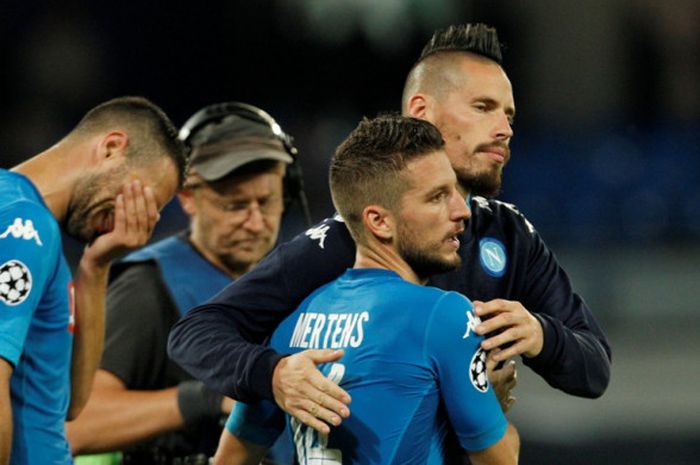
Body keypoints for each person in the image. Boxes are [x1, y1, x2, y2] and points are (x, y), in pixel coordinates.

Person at [168, 23, 611, 434]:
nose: (504, 129)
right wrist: (276, 375)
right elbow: (195, 334)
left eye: (509, 116)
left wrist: (541, 335)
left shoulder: (510, 235)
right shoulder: (348, 239)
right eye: (483, 108)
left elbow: (595, 369)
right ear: (422, 111)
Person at [216, 114, 520, 465]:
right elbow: (501, 460)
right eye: (437, 197)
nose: (460, 210)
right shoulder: (444, 314)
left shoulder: (289, 319)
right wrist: (492, 412)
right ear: (379, 221)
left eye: (454, 191)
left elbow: (227, 459)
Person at [65, 103, 301, 464]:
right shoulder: (148, 286)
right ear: (188, 197)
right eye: (235, 206)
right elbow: (78, 424)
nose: (256, 223)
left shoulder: (297, 284)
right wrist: (204, 399)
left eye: (266, 203)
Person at [0, 96, 187, 465]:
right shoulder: (26, 227)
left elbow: (68, 402)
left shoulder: (24, 218)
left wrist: (97, 266)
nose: (135, 219)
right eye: (139, 197)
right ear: (111, 148)